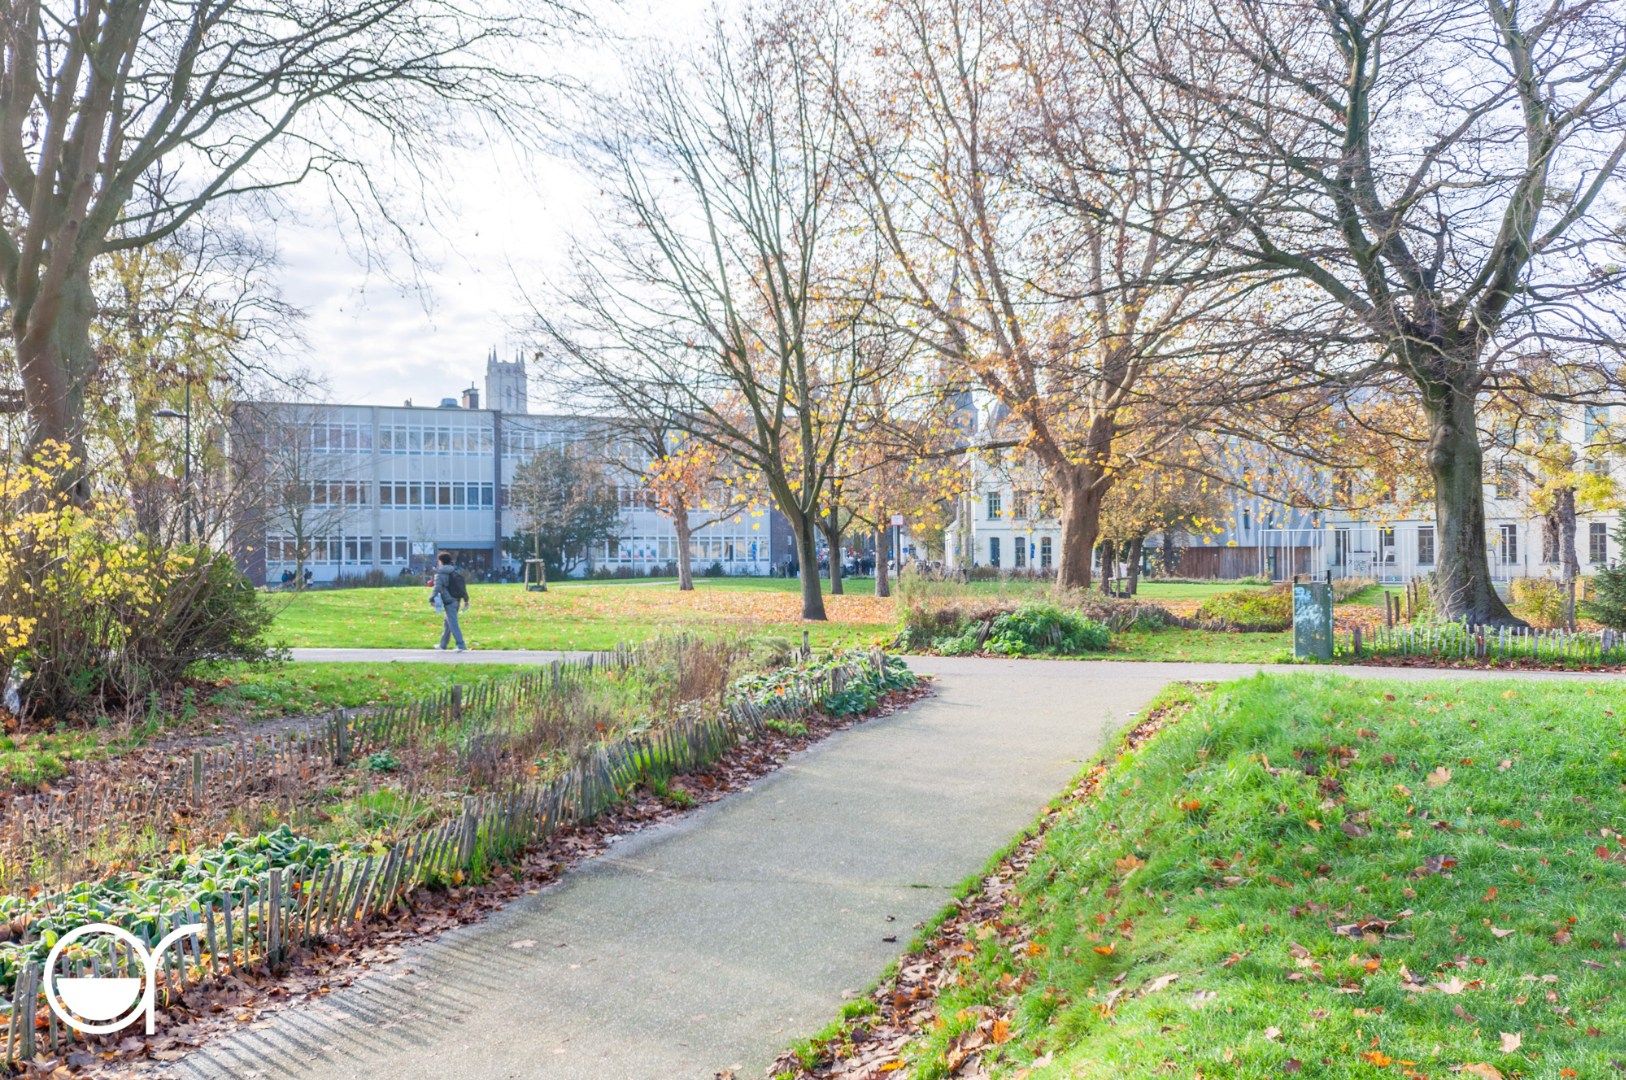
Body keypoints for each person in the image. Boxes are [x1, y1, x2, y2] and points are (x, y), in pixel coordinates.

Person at [429, 552, 470, 651]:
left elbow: (437, 588)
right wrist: (466, 599)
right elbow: (462, 586)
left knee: (452, 624)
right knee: (447, 623)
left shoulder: (440, 574)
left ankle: (461, 645)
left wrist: (431, 599)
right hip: (457, 600)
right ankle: (443, 645)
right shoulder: (455, 571)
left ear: (441, 561)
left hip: (449, 601)